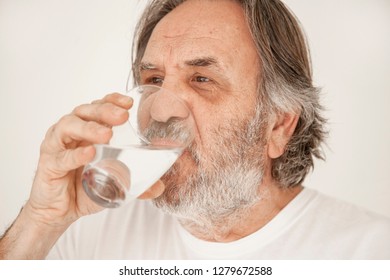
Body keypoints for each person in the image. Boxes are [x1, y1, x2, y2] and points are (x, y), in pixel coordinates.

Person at [1, 0, 389, 260]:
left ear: (279, 125)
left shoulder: (369, 252)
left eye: (202, 79)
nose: (160, 108)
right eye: (153, 79)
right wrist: (41, 220)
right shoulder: (84, 230)